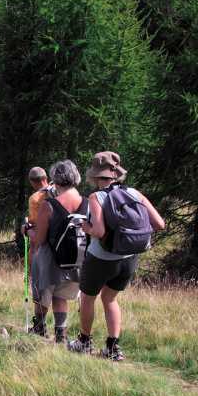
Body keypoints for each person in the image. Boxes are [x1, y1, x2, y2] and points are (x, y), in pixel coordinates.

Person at [71, 151, 165, 361]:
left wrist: (85, 226)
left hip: (101, 258)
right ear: (116, 174)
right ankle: (113, 348)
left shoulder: (97, 197)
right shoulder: (134, 193)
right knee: (110, 298)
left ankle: (84, 342)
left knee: (87, 298)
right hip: (129, 258)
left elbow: (100, 232)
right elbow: (160, 224)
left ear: (95, 176)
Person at [29, 160, 86, 343]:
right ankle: (61, 334)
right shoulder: (86, 202)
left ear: (55, 179)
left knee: (42, 295)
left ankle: (39, 327)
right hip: (76, 259)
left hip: (51, 259)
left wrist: (27, 230)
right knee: (61, 296)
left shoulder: (50, 205)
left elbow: (40, 239)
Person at [24, 166, 54, 334]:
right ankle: (59, 331)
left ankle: (39, 326)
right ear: (46, 177)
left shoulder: (35, 198)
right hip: (61, 248)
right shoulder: (59, 191)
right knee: (55, 290)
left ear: (31, 181)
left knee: (38, 289)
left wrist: (26, 228)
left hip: (41, 247)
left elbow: (35, 225)